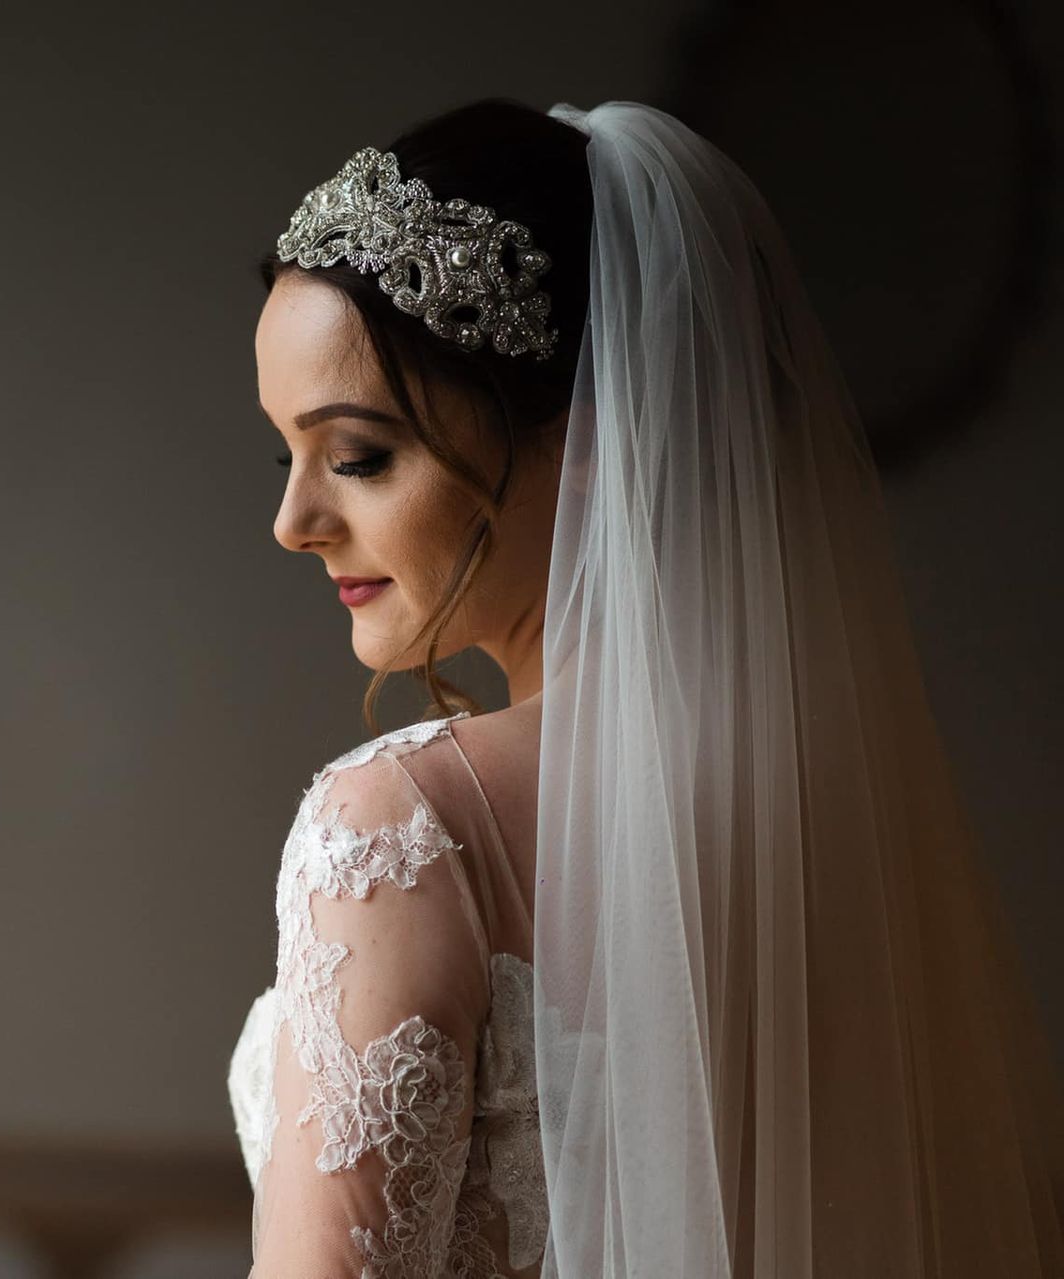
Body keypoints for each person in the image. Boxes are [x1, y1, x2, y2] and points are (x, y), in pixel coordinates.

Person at [228, 98, 1064, 1277]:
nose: (293, 522)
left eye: (360, 455)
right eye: (289, 453)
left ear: (590, 440)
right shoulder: (839, 809)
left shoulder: (402, 828)